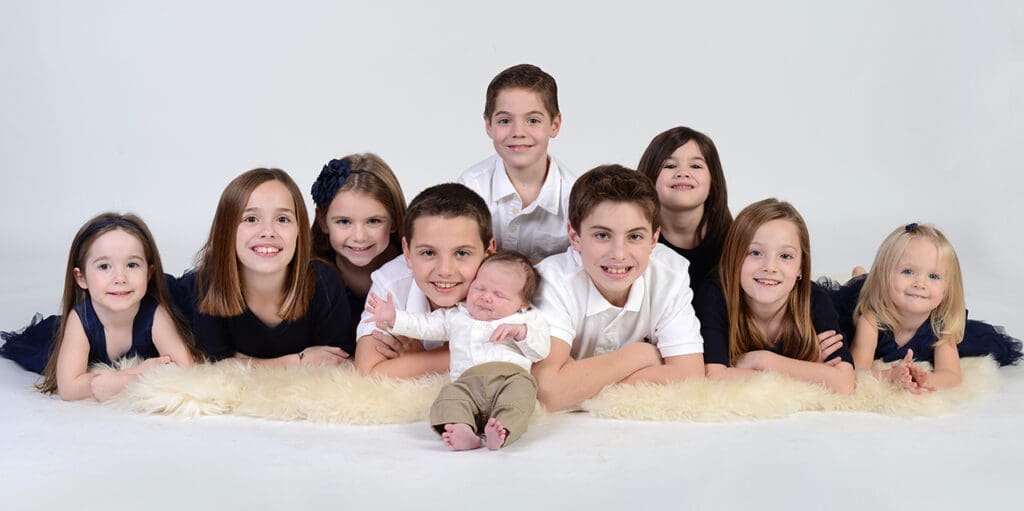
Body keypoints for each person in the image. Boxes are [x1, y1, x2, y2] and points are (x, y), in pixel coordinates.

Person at [531, 165, 705, 412]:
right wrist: (641, 356)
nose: (618, 254)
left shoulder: (670, 275)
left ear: (654, 240)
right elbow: (547, 392)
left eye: (634, 237)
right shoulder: (552, 281)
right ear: (574, 235)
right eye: (602, 235)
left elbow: (690, 377)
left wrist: (576, 384)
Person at [0, 213, 199, 401]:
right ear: (81, 278)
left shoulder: (156, 313)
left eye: (132, 265)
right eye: (104, 266)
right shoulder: (81, 319)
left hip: (169, 297)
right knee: (45, 350)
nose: (120, 278)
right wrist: (131, 376)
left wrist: (120, 378)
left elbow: (186, 366)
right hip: (56, 336)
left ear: (149, 273)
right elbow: (68, 388)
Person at [365, 250, 548, 451]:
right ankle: (463, 430)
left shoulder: (527, 319)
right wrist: (394, 318)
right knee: (448, 398)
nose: (486, 298)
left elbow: (541, 350)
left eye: (499, 295)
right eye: (479, 288)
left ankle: (503, 429)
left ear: (523, 302)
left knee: (520, 399)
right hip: (466, 382)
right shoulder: (456, 316)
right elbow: (425, 325)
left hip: (510, 378)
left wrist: (522, 333)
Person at [178, 168, 354, 366]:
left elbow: (337, 360)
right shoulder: (208, 283)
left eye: (282, 219)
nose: (268, 232)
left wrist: (243, 362)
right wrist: (297, 362)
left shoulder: (324, 282)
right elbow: (216, 365)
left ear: (299, 230)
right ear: (227, 230)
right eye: (251, 219)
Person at [828, 223, 1021, 391]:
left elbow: (951, 376)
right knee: (858, 288)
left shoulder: (941, 324)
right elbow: (858, 371)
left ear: (947, 288)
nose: (920, 283)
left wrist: (920, 379)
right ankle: (859, 276)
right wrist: (890, 377)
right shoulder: (870, 318)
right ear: (884, 277)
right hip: (864, 297)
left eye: (934, 276)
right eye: (908, 271)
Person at [694, 199, 856, 394]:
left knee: (858, 299)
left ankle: (858, 276)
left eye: (785, 256)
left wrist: (761, 360)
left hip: (844, 305)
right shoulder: (714, 295)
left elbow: (845, 384)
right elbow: (715, 376)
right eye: (755, 252)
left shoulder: (815, 299)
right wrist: (810, 371)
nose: (770, 267)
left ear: (801, 267)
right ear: (733, 258)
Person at [353, 183, 496, 377]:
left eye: (462, 253)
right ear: (407, 252)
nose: (445, 270)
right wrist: (453, 357)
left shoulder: (506, 283)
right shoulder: (391, 283)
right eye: (428, 252)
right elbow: (368, 372)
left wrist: (418, 360)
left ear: (489, 252)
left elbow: (509, 353)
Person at [458, 63, 574, 262]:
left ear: (554, 125)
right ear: (488, 125)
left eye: (533, 121)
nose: (518, 132)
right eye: (505, 121)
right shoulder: (471, 187)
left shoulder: (573, 197)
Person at [310, 153, 406, 330]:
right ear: (323, 221)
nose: (359, 237)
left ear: (394, 220)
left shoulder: (413, 269)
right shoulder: (311, 276)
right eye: (344, 222)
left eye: (374, 221)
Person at [637, 126, 732, 293]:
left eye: (695, 166)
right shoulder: (634, 243)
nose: (683, 173)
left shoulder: (735, 241)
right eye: (670, 165)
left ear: (713, 180)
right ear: (649, 177)